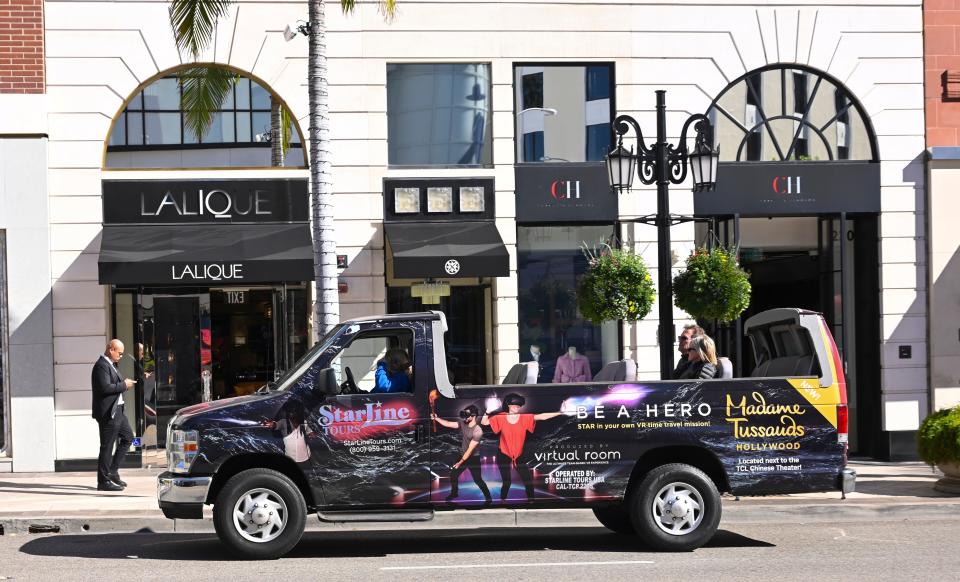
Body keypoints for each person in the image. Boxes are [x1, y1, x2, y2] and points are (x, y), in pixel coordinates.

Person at [481, 393, 562, 502]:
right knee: (507, 482)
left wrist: (560, 412)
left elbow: (542, 416)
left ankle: (531, 501)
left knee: (527, 479)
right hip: (503, 454)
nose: (517, 407)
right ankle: (503, 501)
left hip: (518, 455)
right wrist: (488, 411)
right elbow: (484, 422)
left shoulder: (525, 418)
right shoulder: (501, 417)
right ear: (508, 405)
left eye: (519, 405)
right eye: (514, 405)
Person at [91, 339, 136, 491]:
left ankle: (112, 471)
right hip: (108, 413)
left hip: (118, 411)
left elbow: (112, 385)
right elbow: (105, 388)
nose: (121, 356)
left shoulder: (110, 365)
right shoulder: (101, 366)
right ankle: (103, 481)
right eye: (120, 353)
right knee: (107, 446)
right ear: (111, 349)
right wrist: (124, 385)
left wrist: (125, 383)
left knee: (128, 437)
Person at [432, 404, 492, 505]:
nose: (464, 417)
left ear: (473, 416)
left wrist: (460, 462)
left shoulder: (478, 431)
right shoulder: (463, 423)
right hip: (462, 455)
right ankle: (454, 493)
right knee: (453, 475)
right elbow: (448, 423)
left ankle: (488, 498)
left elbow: (470, 450)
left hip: (473, 458)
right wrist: (437, 419)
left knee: (478, 480)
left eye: (467, 415)